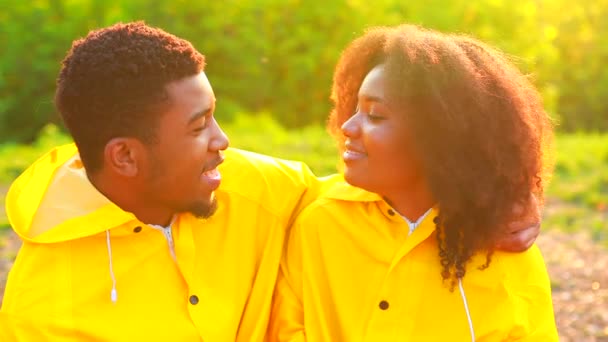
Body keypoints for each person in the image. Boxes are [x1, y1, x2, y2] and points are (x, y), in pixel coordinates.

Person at [0, 22, 541, 341]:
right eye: (197, 127)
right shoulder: (44, 305)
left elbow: (360, 190)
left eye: (214, 114)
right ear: (125, 157)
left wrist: (498, 192)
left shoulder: (252, 189)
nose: (224, 141)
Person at [269, 25, 558, 341]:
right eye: (354, 109)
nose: (348, 127)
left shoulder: (506, 252)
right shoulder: (320, 225)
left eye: (375, 115)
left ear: (438, 137)